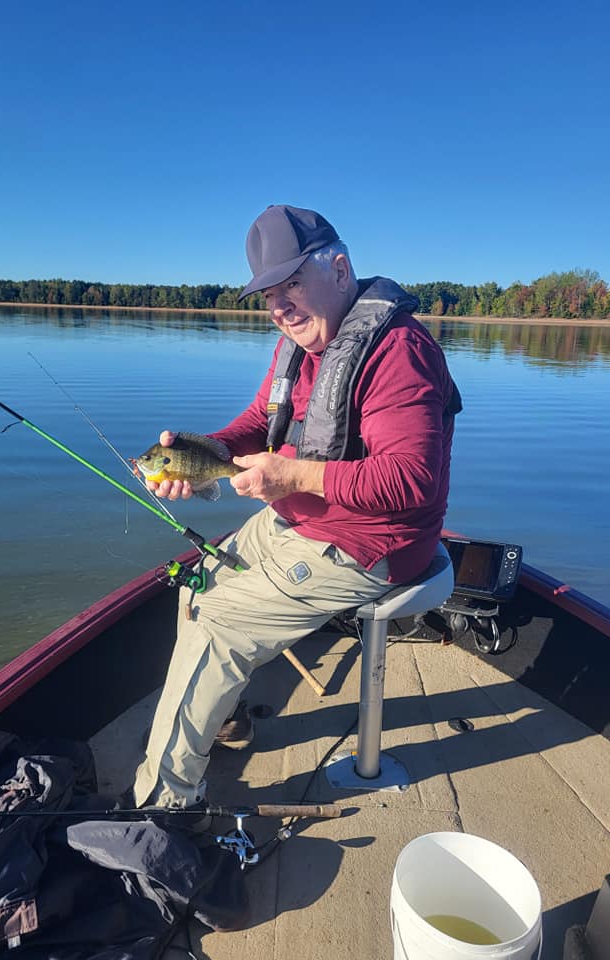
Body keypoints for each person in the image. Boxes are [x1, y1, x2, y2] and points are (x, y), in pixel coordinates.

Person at [128, 204, 461, 811]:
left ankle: (164, 804)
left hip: (372, 545)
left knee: (219, 626)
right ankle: (226, 722)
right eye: (268, 294)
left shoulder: (398, 352)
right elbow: (259, 422)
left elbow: (412, 479)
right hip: (300, 517)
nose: (280, 305)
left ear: (339, 269)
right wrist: (205, 454)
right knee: (196, 582)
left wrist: (294, 474)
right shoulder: (299, 347)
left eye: (292, 284)